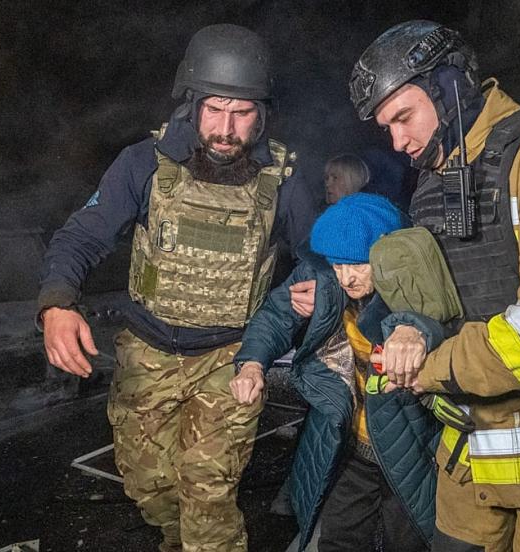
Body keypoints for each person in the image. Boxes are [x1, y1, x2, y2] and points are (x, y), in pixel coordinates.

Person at [289, 20, 520, 551]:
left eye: (404, 117)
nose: (398, 141)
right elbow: (438, 297)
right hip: (471, 448)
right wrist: (397, 323)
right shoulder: (441, 174)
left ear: (451, 86)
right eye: (386, 128)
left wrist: (433, 368)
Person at [37, 24, 314, 552]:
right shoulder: (143, 163)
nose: (227, 128)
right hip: (147, 353)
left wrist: (314, 286)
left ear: (263, 114)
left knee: (207, 495)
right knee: (151, 486)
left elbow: (318, 256)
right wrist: (57, 303)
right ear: (192, 104)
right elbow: (82, 236)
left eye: (243, 113)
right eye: (215, 109)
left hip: (233, 355)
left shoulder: (284, 177)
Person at [230, 193, 444, 552]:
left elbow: (440, 322)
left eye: (357, 265)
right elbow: (275, 316)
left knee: (410, 542)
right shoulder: (325, 276)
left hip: (411, 447)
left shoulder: (423, 278)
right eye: (337, 265)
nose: (346, 278)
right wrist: (252, 364)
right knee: (339, 539)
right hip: (349, 447)